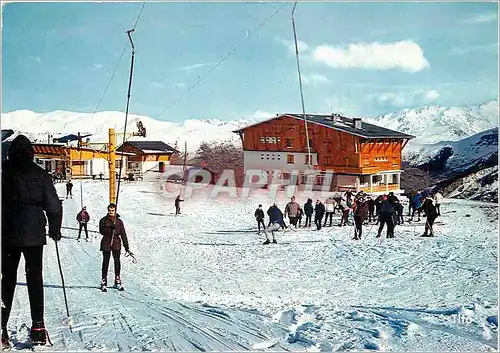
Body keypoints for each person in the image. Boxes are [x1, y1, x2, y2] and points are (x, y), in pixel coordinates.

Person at [2, 135, 63, 347]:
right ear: (31, 153)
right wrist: (55, 230)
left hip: (7, 234)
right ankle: (38, 328)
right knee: (34, 278)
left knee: (7, 280)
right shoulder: (41, 174)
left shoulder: (4, 172)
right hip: (34, 235)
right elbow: (54, 206)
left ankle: (1, 330)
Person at [99, 203, 132, 291]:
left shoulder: (119, 222)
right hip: (106, 242)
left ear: (115, 211)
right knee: (106, 261)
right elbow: (101, 231)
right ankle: (104, 280)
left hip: (116, 243)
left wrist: (126, 247)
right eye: (109, 210)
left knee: (117, 261)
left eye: (112, 211)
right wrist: (110, 228)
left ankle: (117, 279)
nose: (111, 212)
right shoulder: (103, 220)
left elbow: (123, 234)